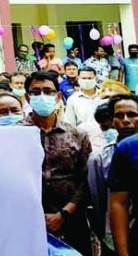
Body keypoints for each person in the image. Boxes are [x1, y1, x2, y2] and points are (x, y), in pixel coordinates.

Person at [18, 71, 93, 256]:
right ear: (28, 97)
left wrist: (64, 213)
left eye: (48, 91)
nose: (42, 96)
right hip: (26, 221)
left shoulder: (77, 135)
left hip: (72, 220)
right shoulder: (14, 135)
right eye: (35, 92)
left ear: (59, 96)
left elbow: (85, 180)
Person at [89, 96, 138, 256]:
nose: (125, 121)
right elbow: (107, 203)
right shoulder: (123, 150)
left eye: (132, 114)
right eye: (119, 116)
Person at [65, 67, 105, 149]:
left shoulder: (104, 96)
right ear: (78, 78)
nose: (86, 80)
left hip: (105, 140)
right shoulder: (73, 99)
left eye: (90, 78)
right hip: (84, 142)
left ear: (96, 78)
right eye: (83, 78)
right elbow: (69, 125)